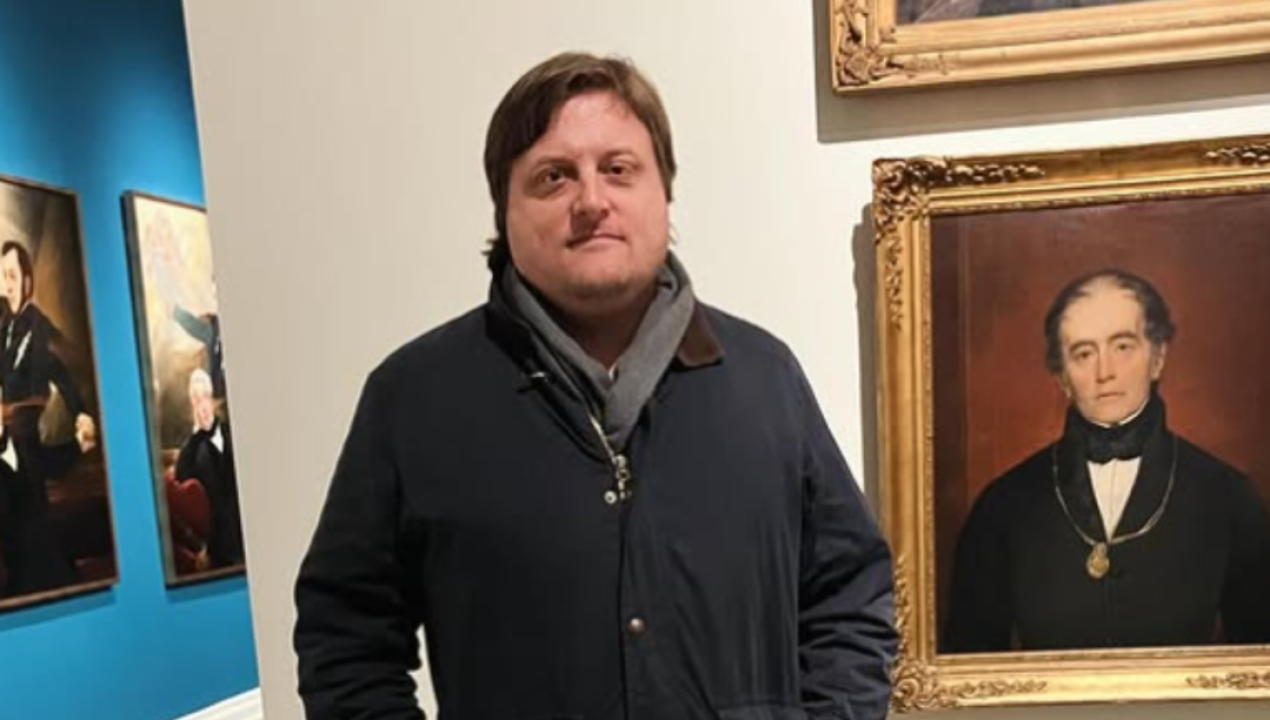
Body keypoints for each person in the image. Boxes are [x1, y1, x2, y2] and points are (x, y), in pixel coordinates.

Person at [294, 52, 897, 720]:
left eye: (618, 169)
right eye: (553, 177)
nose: (591, 201)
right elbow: (343, 638)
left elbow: (851, 592)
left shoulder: (764, 378)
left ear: (664, 192)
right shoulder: (413, 400)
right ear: (504, 211)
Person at [943, 269, 1270, 653]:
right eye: (1084, 354)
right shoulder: (1002, 507)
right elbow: (965, 671)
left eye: (1123, 347)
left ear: (1158, 358)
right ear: (1062, 376)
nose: (1105, 372)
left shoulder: (1228, 498)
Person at [0, 240, 98, 595]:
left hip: (28, 450)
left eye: (12, 276)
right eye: (2, 276)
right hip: (6, 448)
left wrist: (82, 412)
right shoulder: (4, 326)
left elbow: (66, 374)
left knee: (35, 549)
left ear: (27, 279)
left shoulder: (40, 329)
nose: (6, 284)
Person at [174, 367, 244, 568]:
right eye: (196, 400)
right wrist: (198, 437)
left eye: (205, 397)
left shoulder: (233, 432)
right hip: (217, 548)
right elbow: (181, 481)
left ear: (213, 400)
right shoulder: (190, 450)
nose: (202, 405)